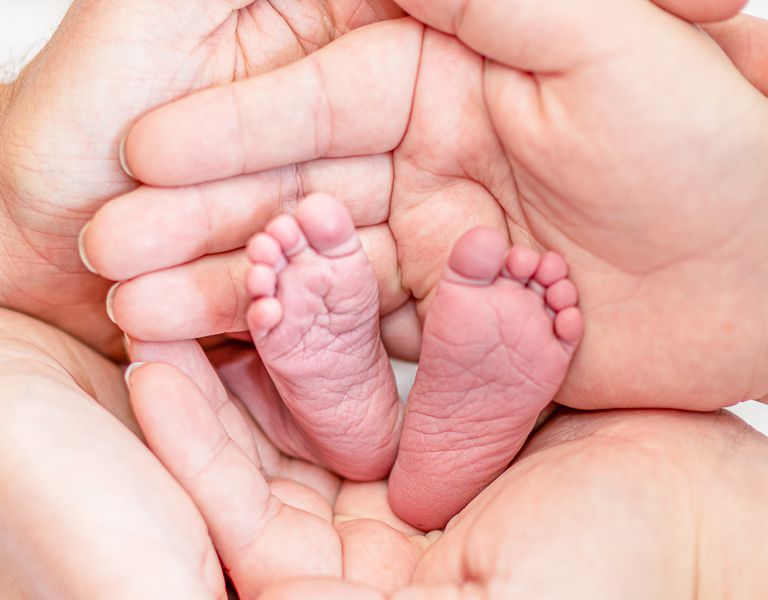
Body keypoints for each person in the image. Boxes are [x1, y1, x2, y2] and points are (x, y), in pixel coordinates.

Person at [0, 0, 766, 597]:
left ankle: (351, 415)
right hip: (571, 440)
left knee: (243, 372)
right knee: (244, 361)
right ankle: (388, 425)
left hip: (232, 383)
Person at [241, 193, 581, 529]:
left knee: (235, 377)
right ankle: (436, 481)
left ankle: (323, 427)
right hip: (413, 371)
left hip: (259, 384)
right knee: (233, 367)